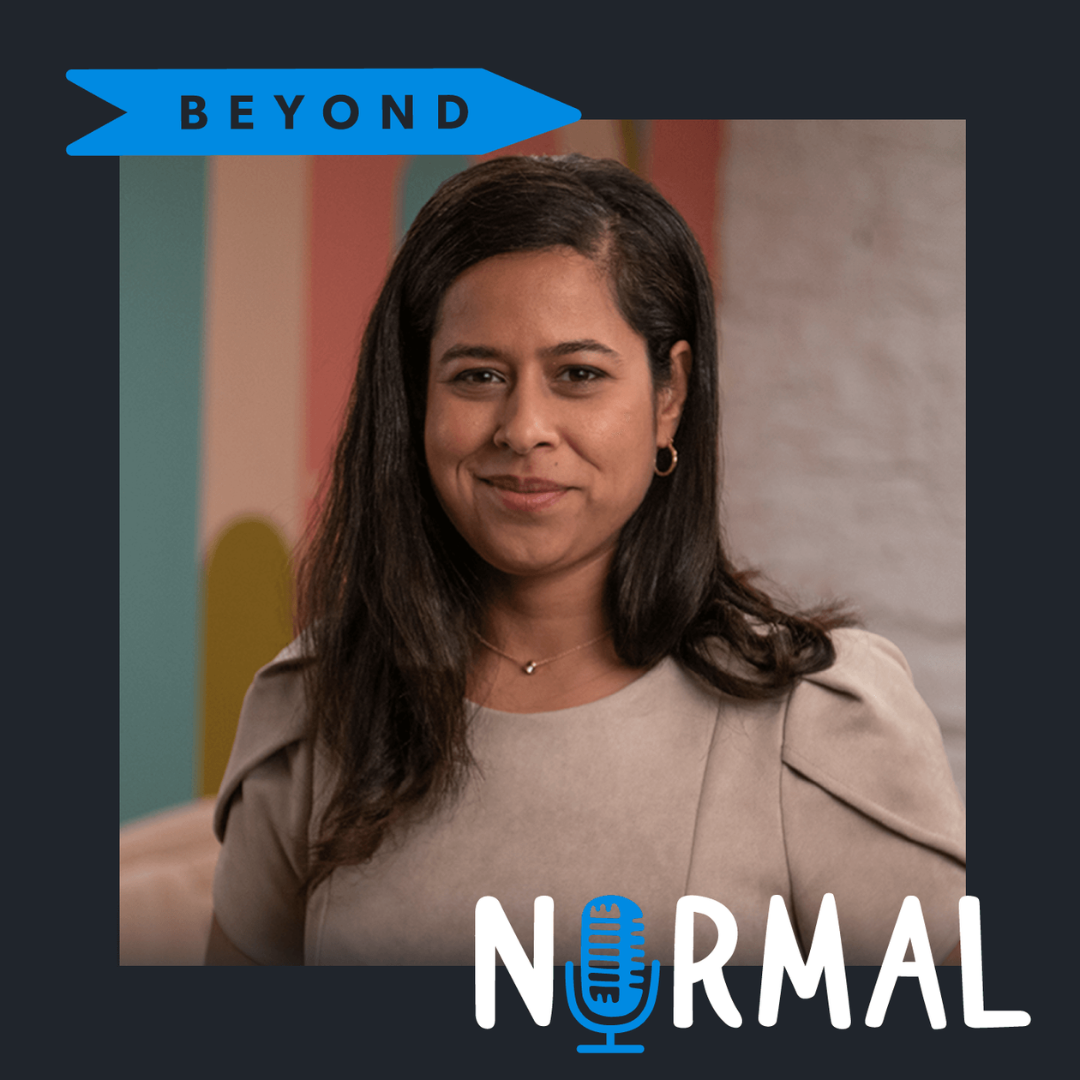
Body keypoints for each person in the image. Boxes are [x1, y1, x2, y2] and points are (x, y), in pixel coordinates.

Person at [206, 154, 965, 966]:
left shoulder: (819, 723)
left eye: (577, 374)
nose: (523, 426)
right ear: (417, 400)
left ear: (669, 394)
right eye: (478, 375)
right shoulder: (319, 708)